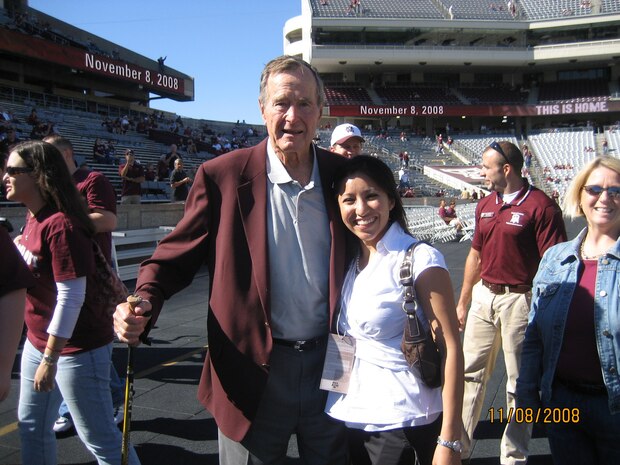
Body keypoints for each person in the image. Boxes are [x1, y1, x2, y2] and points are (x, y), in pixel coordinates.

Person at [114, 55, 349, 464]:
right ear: (262, 109)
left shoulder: (344, 176)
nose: (293, 116)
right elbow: (172, 258)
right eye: (281, 103)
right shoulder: (221, 176)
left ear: (320, 112)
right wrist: (144, 300)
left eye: (305, 104)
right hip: (251, 372)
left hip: (335, 366)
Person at [3, 140, 140, 464]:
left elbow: (71, 295)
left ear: (37, 175)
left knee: (101, 440)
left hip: (76, 348)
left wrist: (50, 359)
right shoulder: (34, 217)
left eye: (12, 170)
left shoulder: (61, 226)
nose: (4, 176)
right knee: (32, 427)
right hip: (40, 342)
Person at [325, 156, 464, 465]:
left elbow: (452, 349)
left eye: (371, 195)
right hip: (349, 416)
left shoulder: (421, 259)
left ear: (390, 200)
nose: (360, 209)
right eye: (349, 200)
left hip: (403, 422)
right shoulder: (350, 264)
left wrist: (450, 439)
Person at [456, 141, 567, 464]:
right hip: (483, 296)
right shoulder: (485, 204)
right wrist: (464, 300)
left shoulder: (541, 207)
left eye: (486, 167)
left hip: (520, 299)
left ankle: (513, 454)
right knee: (468, 374)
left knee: (519, 382)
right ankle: (458, 446)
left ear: (507, 169)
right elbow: (475, 254)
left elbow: (554, 263)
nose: (482, 172)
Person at [515, 156, 620, 464]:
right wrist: (526, 394)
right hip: (563, 405)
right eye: (595, 189)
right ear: (579, 195)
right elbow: (534, 336)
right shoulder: (554, 258)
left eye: (616, 190)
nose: (604, 198)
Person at [44, 134, 125, 433]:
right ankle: (80, 404)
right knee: (73, 341)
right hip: (60, 271)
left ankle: (106, 399)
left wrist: (60, 225)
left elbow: (106, 220)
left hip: (91, 273)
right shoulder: (52, 186)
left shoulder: (93, 180)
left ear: (66, 154)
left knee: (85, 340)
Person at [0, 221, 35, 402]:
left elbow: (12, 286)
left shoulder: (57, 226)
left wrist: (3, 368)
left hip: (51, 335)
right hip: (38, 335)